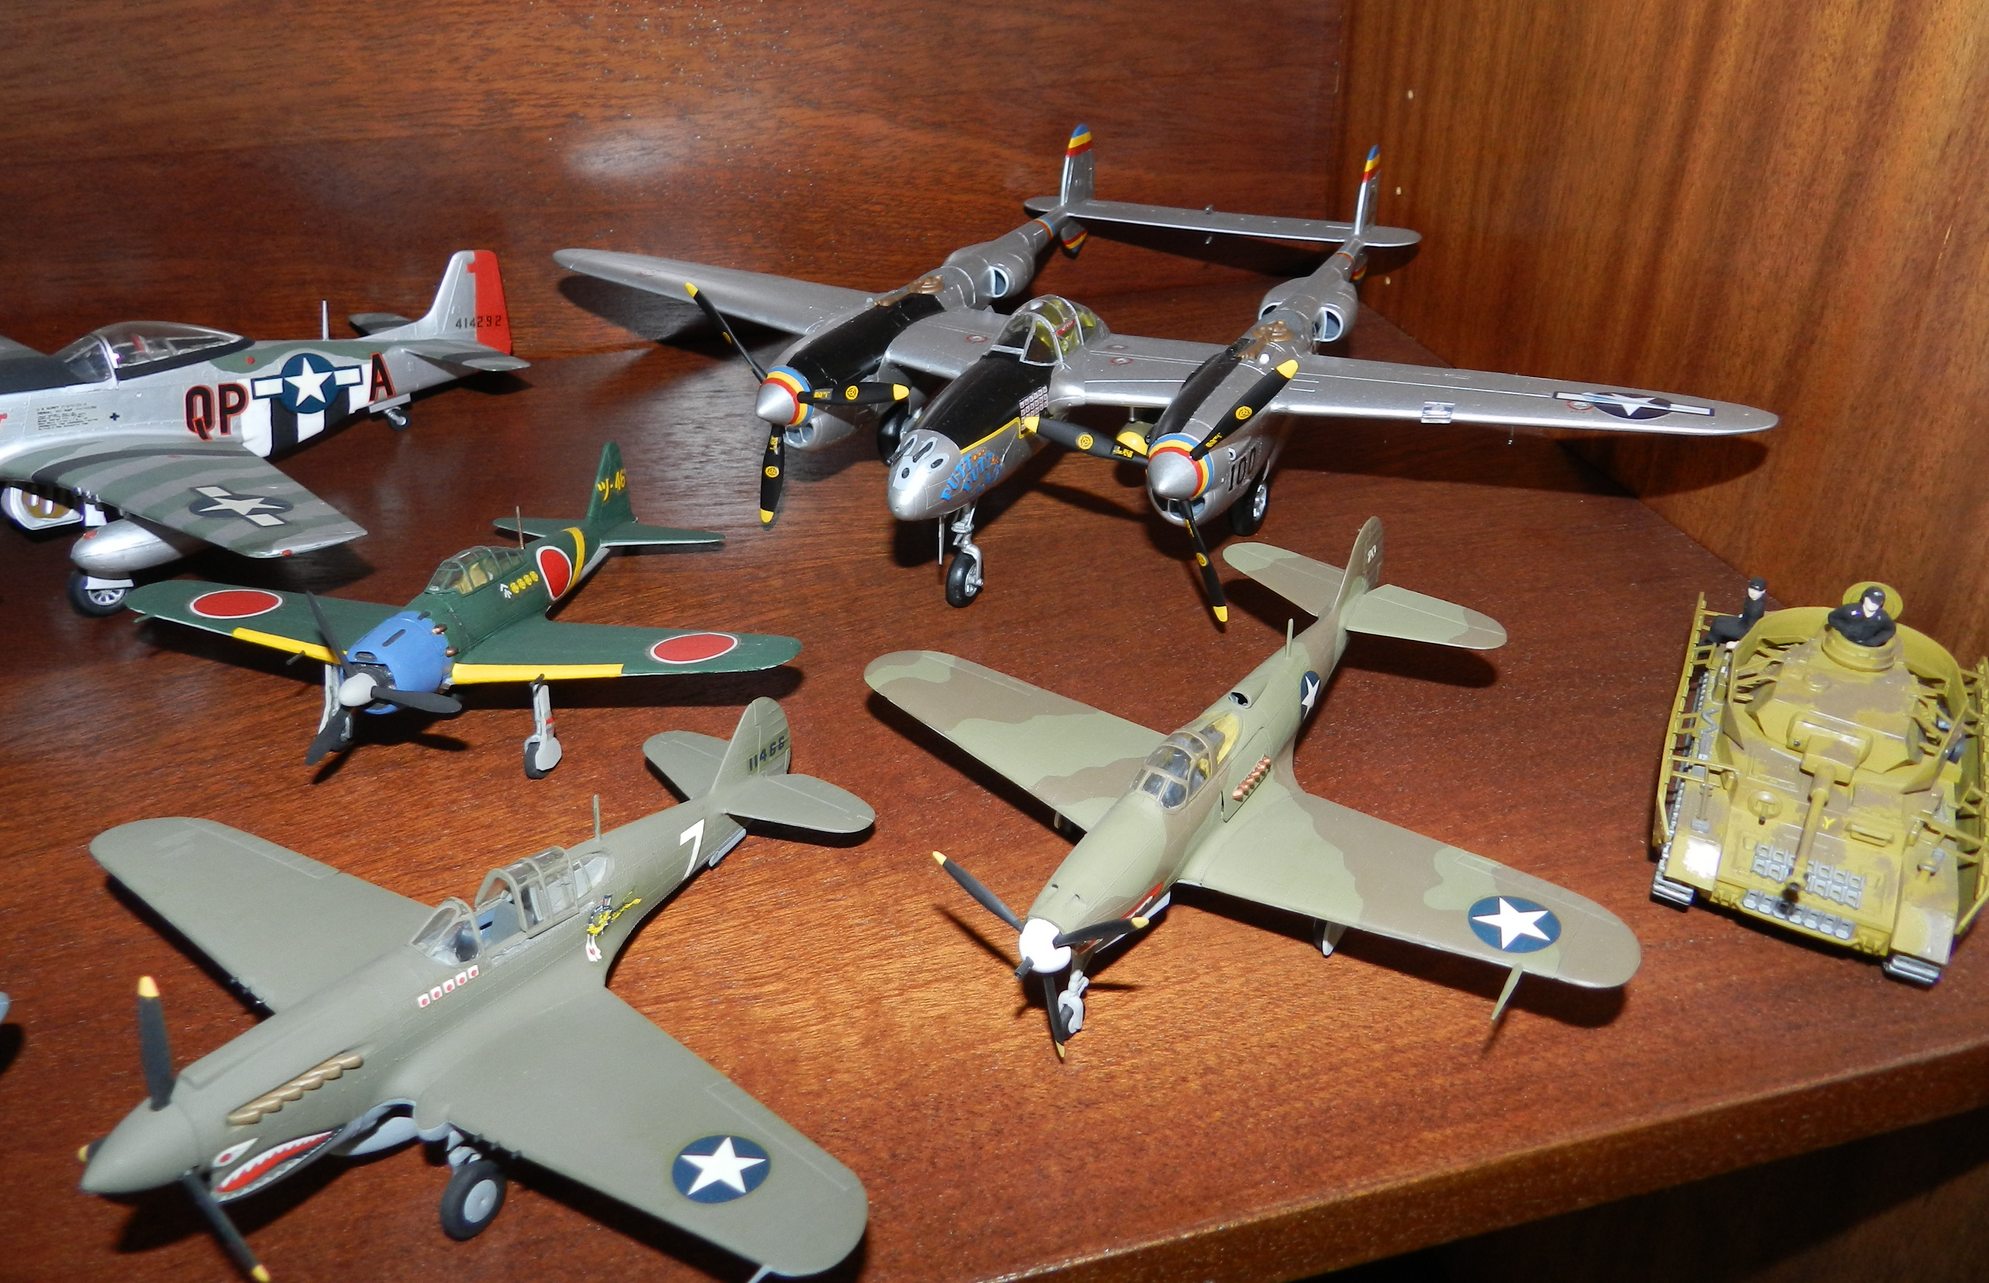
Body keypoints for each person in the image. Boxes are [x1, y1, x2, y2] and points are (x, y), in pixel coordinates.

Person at [1827, 585, 1896, 647]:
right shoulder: (1850, 610)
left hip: (1867, 649)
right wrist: (1845, 628)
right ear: (1864, 598)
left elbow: (1890, 630)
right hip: (1842, 643)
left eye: (1877, 602)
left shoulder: (1882, 618)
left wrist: (1875, 641)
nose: (1873, 604)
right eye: (1871, 600)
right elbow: (1833, 617)